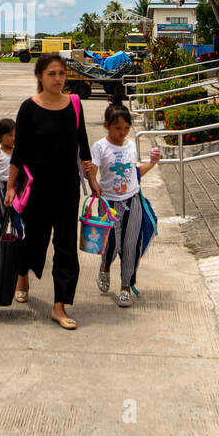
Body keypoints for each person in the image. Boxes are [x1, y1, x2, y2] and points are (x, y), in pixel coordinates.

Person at [4, 53, 99, 329]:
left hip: (67, 187)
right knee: (35, 240)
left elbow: (83, 147)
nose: (58, 79)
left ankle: (60, 305)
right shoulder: (29, 108)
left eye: (61, 73)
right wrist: (11, 186)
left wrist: (93, 180)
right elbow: (18, 153)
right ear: (39, 77)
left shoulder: (75, 105)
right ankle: (23, 272)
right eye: (51, 74)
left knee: (66, 245)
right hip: (37, 188)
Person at [91, 104, 162, 307]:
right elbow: (92, 174)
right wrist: (93, 183)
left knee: (131, 245)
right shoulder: (100, 147)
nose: (122, 133)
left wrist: (152, 163)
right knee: (111, 244)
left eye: (125, 128)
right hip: (109, 204)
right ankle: (105, 267)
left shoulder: (130, 145)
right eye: (117, 128)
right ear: (107, 126)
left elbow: (134, 173)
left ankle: (125, 287)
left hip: (133, 201)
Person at [0, 117, 22, 240]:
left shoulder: (18, 152)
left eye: (15, 135)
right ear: (0, 136)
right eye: (10, 135)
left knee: (18, 217)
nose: (13, 138)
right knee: (2, 217)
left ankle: (17, 242)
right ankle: (1, 243)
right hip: (2, 187)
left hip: (17, 187)